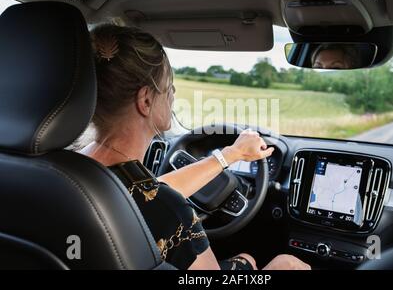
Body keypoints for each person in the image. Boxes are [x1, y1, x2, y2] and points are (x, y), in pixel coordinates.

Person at [79, 24, 310, 271]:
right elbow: (156, 200)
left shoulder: (64, 166)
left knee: (247, 259)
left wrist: (232, 154)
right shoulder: (168, 211)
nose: (173, 93)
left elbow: (147, 192)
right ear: (146, 100)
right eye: (168, 85)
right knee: (278, 263)